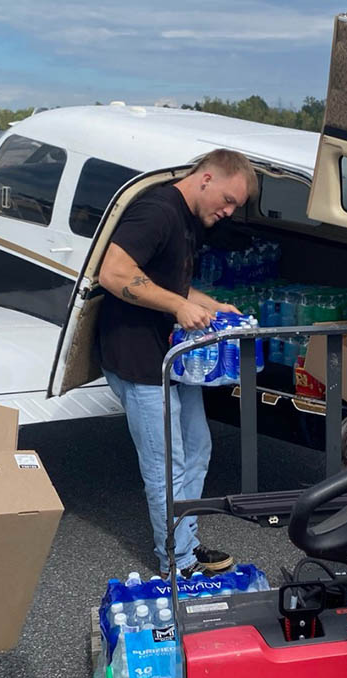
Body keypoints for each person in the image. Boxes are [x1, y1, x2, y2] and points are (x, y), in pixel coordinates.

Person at [96, 149, 258, 575]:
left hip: (171, 357)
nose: (228, 211)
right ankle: (176, 563)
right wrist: (177, 307)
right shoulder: (157, 211)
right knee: (165, 465)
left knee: (197, 449)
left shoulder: (188, 218)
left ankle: (184, 543)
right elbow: (112, 274)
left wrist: (212, 305)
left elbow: (172, 285)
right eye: (227, 200)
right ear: (206, 178)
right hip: (138, 358)